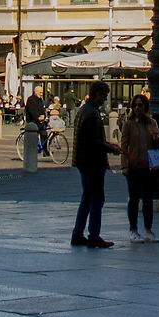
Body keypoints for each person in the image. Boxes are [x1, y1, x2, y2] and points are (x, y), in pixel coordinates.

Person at [70, 81, 115, 248]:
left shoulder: (85, 110)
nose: (104, 99)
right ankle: (93, 235)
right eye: (103, 95)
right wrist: (110, 147)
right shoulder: (91, 113)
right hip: (92, 162)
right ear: (96, 94)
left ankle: (78, 234)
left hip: (83, 161)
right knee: (96, 198)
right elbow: (93, 142)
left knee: (87, 198)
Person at [118, 95, 159, 241]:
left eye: (140, 105)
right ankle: (133, 229)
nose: (137, 108)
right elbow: (124, 146)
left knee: (148, 199)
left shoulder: (152, 123)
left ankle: (148, 229)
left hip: (148, 167)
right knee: (134, 199)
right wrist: (124, 166)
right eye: (135, 106)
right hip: (133, 167)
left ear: (146, 107)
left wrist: (156, 138)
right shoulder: (129, 124)